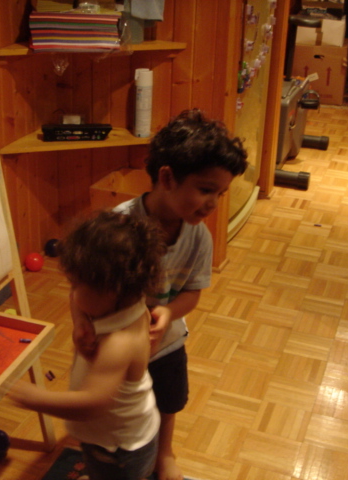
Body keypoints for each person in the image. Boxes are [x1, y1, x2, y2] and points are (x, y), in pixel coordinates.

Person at [114, 108, 249, 480]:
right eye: (205, 190)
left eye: (220, 193)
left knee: (169, 399)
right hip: (119, 343)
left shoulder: (199, 237)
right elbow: (88, 288)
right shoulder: (119, 227)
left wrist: (169, 312)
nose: (213, 203)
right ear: (167, 177)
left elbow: (192, 293)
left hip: (167, 343)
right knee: (120, 403)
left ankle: (165, 453)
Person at [9, 210, 166, 480]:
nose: (71, 291)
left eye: (75, 284)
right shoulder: (123, 303)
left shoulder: (119, 343)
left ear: (109, 290)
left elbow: (92, 404)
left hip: (119, 450)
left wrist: (34, 398)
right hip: (106, 437)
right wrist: (81, 319)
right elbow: (77, 300)